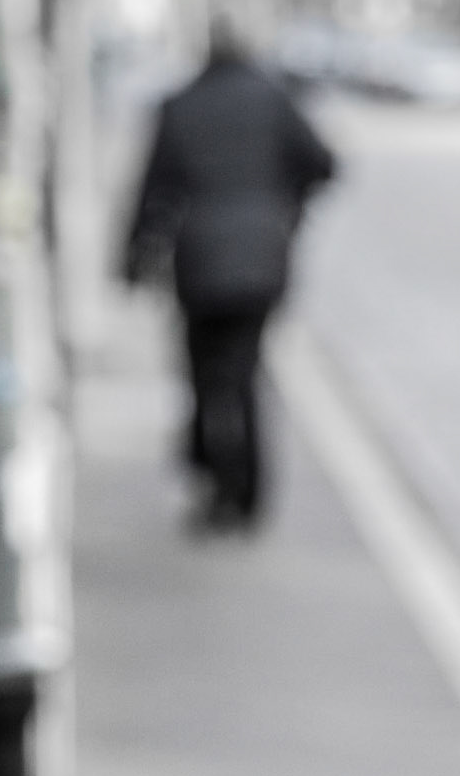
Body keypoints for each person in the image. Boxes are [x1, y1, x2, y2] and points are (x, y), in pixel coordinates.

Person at [124, 26, 337, 526]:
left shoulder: (181, 104)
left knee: (204, 373)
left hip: (200, 262)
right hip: (262, 261)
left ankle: (215, 480)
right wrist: (286, 205)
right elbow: (323, 165)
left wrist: (133, 257)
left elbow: (151, 189)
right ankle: (248, 490)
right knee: (245, 373)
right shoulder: (274, 100)